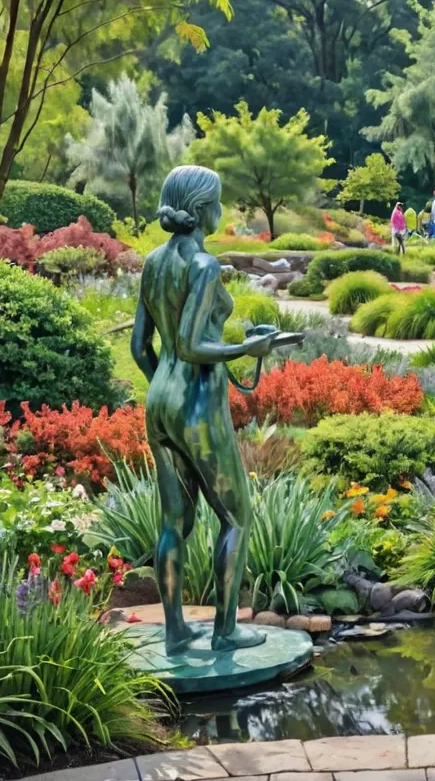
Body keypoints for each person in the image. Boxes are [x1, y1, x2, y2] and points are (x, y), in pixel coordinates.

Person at [132, 165, 277, 655]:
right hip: (197, 402)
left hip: (160, 401)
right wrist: (246, 352)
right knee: (236, 518)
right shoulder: (203, 265)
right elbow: (195, 345)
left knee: (174, 522)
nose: (221, 211)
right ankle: (225, 630)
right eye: (216, 203)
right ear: (199, 210)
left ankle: (175, 632)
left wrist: (165, 390)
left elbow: (139, 347)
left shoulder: (153, 261)